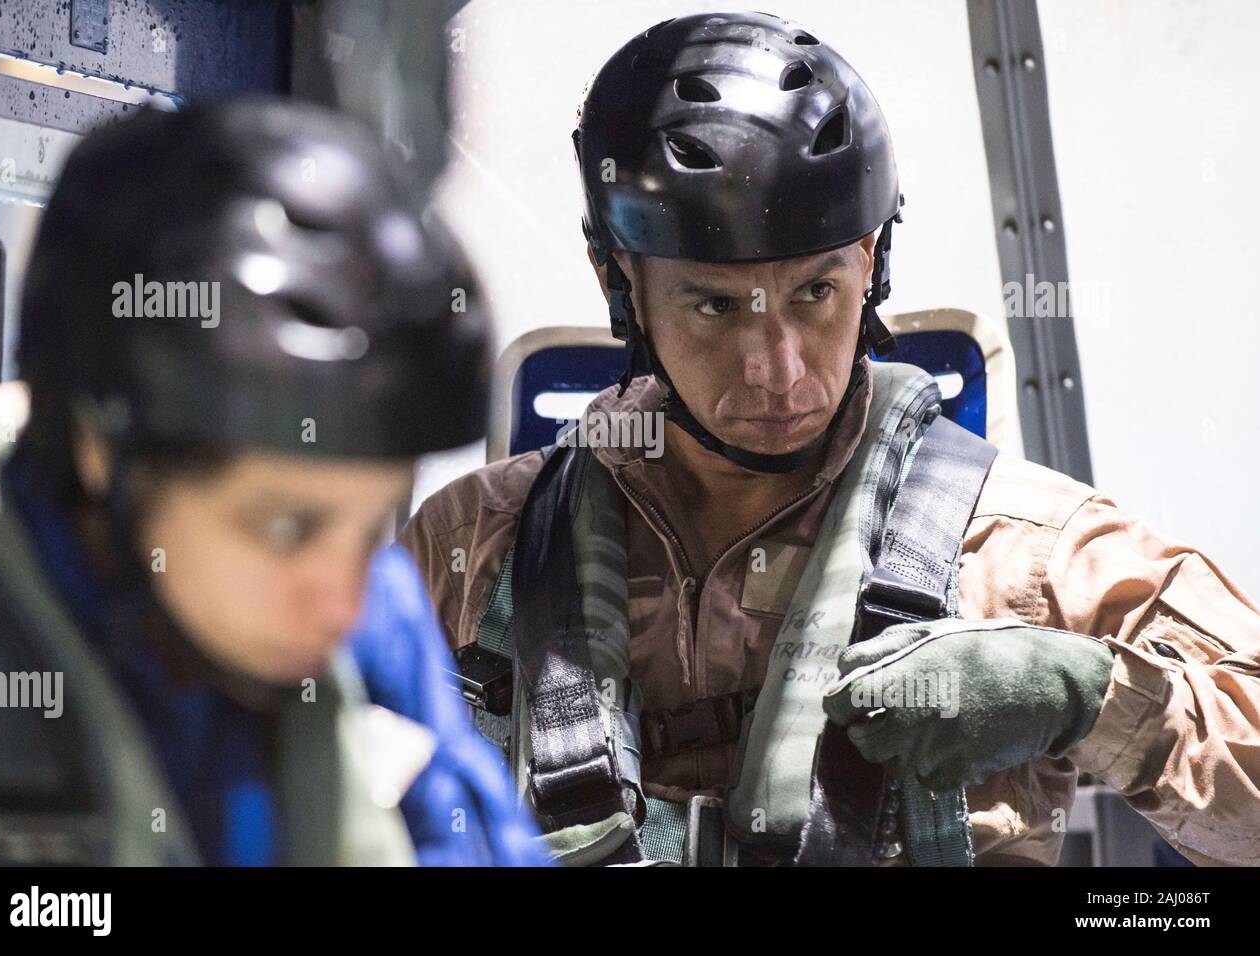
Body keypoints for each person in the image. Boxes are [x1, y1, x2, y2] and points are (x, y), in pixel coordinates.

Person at [400, 11, 1260, 866]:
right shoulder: (473, 545)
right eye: (715, 305)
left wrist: (1090, 699)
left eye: (816, 293)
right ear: (618, 280)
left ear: (871, 260)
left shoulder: (1020, 550)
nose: (778, 371)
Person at [0, 98, 545, 866]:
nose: (340, 602)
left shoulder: (374, 607)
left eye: (371, 527)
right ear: (103, 454)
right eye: (283, 527)